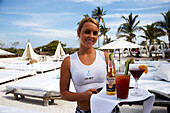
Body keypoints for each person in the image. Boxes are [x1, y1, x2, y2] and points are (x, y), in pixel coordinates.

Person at [60, 17, 120, 113]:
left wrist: (123, 96)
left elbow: (115, 84)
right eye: (87, 32)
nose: (91, 36)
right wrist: (82, 96)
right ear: (79, 33)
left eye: (95, 33)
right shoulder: (69, 61)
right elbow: (63, 94)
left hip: (110, 109)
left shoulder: (106, 57)